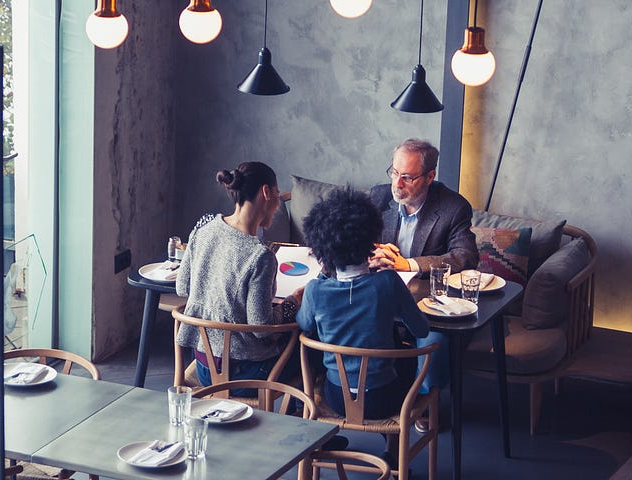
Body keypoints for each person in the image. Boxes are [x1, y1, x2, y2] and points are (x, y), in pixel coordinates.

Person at [297, 189, 446, 420]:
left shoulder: (315, 290)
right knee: (401, 352)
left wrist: (323, 274)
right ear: (370, 240)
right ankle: (391, 449)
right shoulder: (387, 282)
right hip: (384, 398)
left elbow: (303, 323)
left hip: (337, 398)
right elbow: (421, 329)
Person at [174, 161, 298, 391]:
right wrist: (293, 302)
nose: (277, 204)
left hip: (204, 367)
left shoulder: (203, 230)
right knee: (308, 353)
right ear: (266, 192)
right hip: (245, 374)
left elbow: (182, 287)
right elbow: (261, 327)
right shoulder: (260, 256)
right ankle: (289, 416)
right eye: (277, 195)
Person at [367, 138, 479, 273]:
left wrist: (408, 265)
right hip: (380, 286)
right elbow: (347, 240)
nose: (397, 184)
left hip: (423, 291)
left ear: (430, 177)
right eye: (395, 173)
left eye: (407, 178)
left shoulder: (454, 208)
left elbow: (466, 256)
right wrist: (371, 254)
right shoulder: (378, 196)